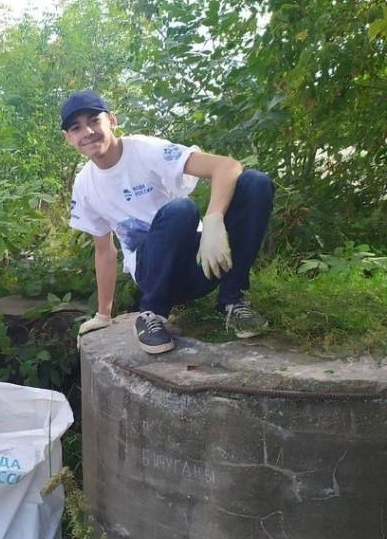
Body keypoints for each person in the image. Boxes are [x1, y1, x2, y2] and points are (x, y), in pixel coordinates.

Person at [62, 89, 274, 354]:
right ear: (69, 138)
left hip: (204, 264)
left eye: (94, 120)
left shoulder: (145, 150)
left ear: (111, 120)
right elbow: (104, 250)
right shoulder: (84, 185)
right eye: (76, 127)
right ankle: (151, 313)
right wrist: (103, 315)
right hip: (153, 274)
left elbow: (226, 166)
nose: (88, 132)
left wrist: (214, 219)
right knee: (181, 209)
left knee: (255, 183)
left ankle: (231, 301)